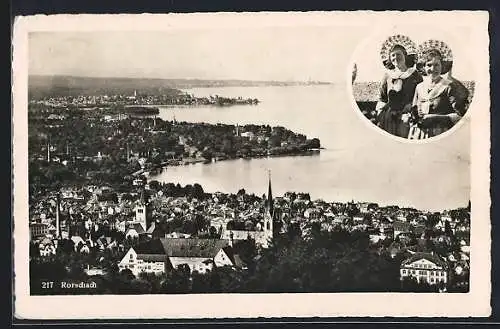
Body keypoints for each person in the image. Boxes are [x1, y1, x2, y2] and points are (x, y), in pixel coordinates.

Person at [408, 39, 469, 139]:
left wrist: (436, 118)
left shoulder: (448, 86)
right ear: (423, 67)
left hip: (441, 132)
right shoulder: (419, 87)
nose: (432, 69)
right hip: (419, 133)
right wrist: (414, 116)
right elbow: (413, 110)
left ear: (442, 66)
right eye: (429, 65)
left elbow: (460, 116)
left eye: (436, 65)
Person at [375, 35, 423, 138]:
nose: (395, 57)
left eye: (398, 54)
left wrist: (411, 106)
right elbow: (382, 97)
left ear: (405, 55)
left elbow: (422, 96)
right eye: (393, 55)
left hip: (408, 117)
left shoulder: (415, 75)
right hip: (389, 117)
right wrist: (380, 113)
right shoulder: (387, 76)